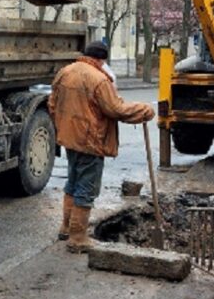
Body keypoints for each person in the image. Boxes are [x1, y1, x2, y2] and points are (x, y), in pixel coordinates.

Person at [48, 41, 154, 253]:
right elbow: (115, 109)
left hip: (70, 138)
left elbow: (52, 103)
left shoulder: (65, 72)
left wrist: (64, 126)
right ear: (101, 60)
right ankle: (77, 238)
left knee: (73, 181)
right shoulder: (98, 79)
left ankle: (66, 228)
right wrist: (144, 110)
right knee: (86, 187)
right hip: (90, 141)